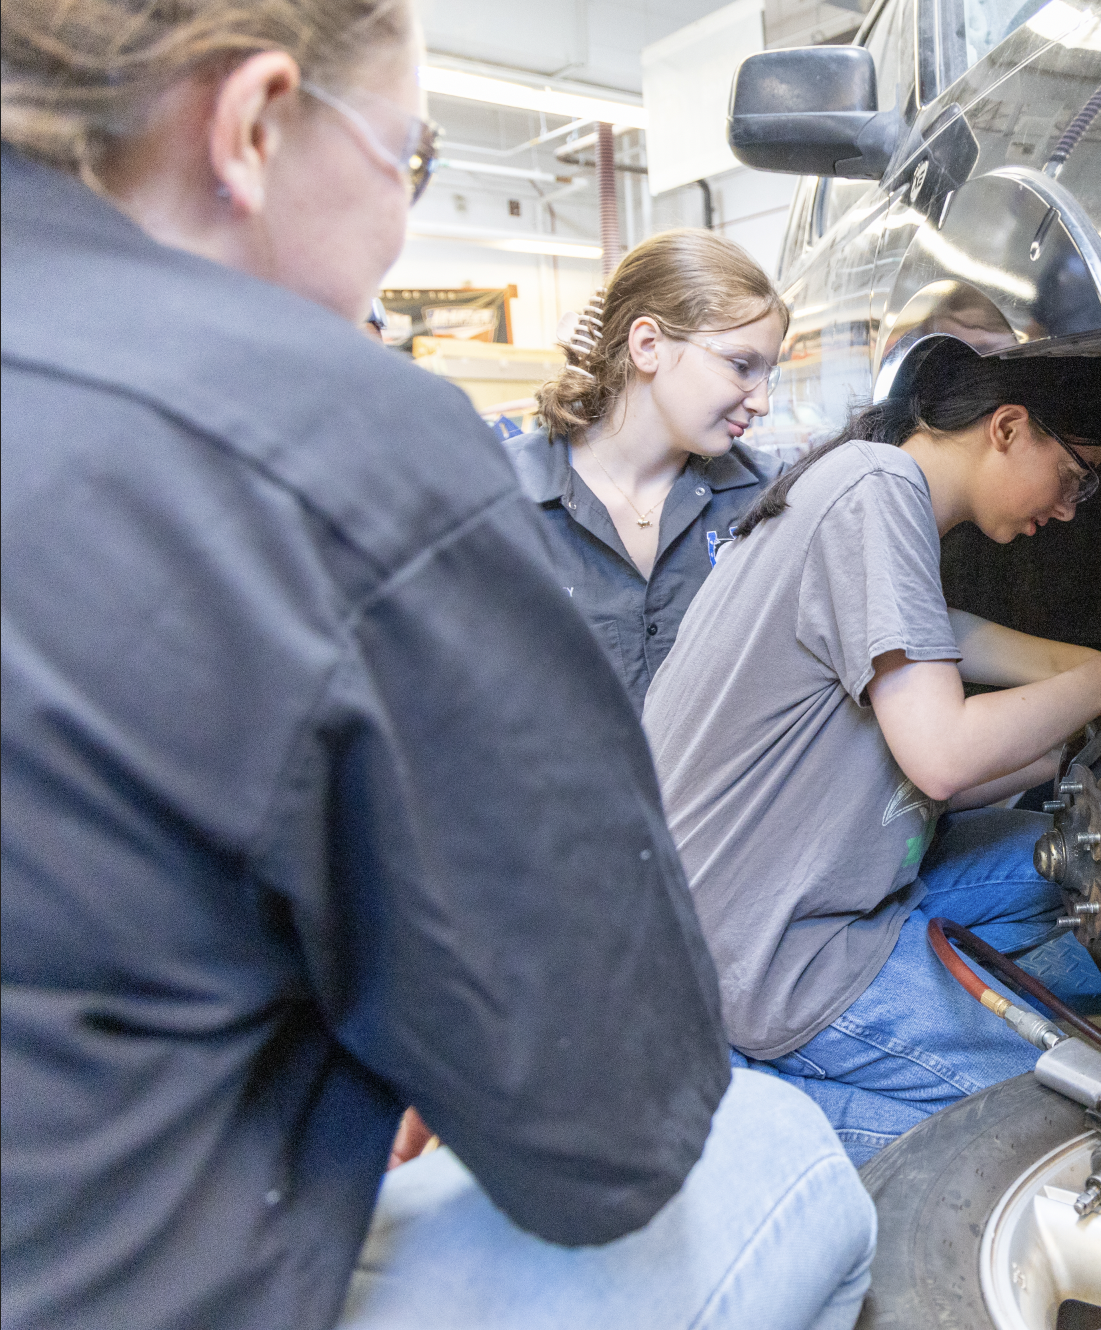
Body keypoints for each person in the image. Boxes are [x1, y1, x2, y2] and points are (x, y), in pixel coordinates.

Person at [0, 4, 872, 1330]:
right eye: (406, 162)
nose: (400, 224)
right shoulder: (348, 452)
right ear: (252, 124)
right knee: (783, 1145)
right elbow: (613, 1134)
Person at [642, 339, 1101, 1163]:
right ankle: (729, 1113)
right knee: (1077, 1131)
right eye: (1076, 475)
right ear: (1008, 428)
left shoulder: (857, 486)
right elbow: (940, 756)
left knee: (1071, 870)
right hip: (765, 952)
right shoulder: (877, 490)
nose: (1073, 507)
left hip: (771, 892)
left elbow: (952, 671)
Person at [508, 231, 785, 714]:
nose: (761, 402)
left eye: (767, 376)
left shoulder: (771, 500)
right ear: (648, 344)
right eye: (742, 366)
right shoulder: (501, 500)